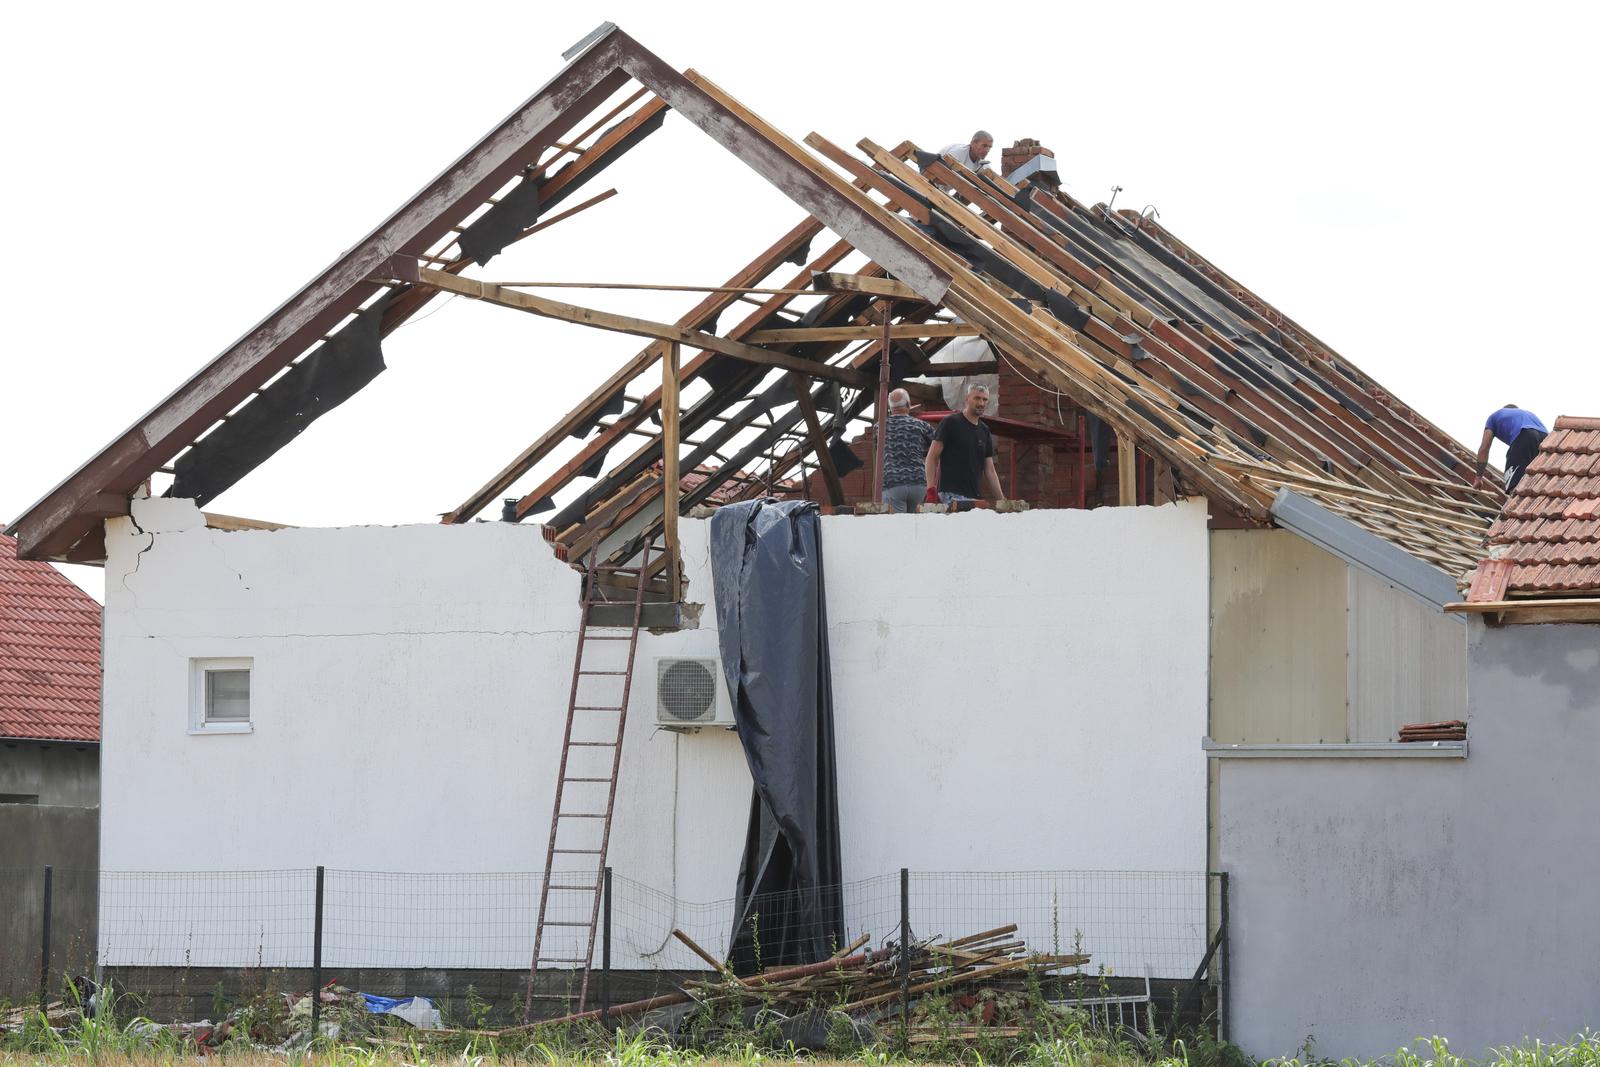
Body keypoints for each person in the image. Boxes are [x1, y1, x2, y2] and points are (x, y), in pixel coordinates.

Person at [923, 384, 1006, 506]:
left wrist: (1003, 501)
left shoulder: (984, 430)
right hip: (950, 495)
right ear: (967, 398)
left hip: (974, 497)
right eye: (977, 398)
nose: (981, 403)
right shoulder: (950, 422)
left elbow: (990, 471)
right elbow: (932, 457)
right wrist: (931, 489)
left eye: (984, 399)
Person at [880, 388, 935, 513]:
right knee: (915, 523)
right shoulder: (922, 425)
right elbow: (937, 444)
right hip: (918, 483)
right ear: (908, 404)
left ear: (890, 407)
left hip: (892, 483)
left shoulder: (880, 427)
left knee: (898, 524)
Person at [1473, 404, 1547, 492]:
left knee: (1514, 484)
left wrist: (1478, 478)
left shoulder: (1494, 417)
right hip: (1546, 439)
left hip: (1525, 433)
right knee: (1536, 482)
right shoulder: (1529, 414)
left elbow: (1484, 448)